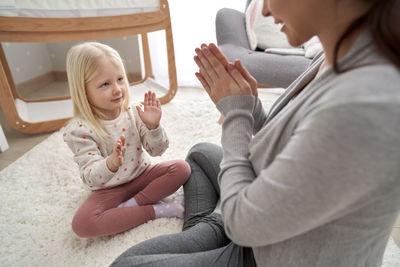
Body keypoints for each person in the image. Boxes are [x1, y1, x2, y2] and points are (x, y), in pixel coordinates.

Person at [111, 0, 400, 266]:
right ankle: (213, 228)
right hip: (270, 220)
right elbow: (290, 143)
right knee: (200, 154)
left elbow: (244, 228)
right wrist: (251, 107)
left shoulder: (362, 106)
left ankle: (216, 228)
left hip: (268, 255)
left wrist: (236, 112)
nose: (263, 11)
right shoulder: (338, 53)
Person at [63, 42, 190, 238]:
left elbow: (158, 151)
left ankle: (131, 207)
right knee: (82, 225)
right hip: (108, 189)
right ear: (83, 90)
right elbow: (90, 175)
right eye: (105, 84)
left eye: (120, 79)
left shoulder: (133, 111)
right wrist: (110, 164)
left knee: (182, 168)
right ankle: (153, 211)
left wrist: (153, 127)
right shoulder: (79, 131)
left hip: (142, 174)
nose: (117, 89)